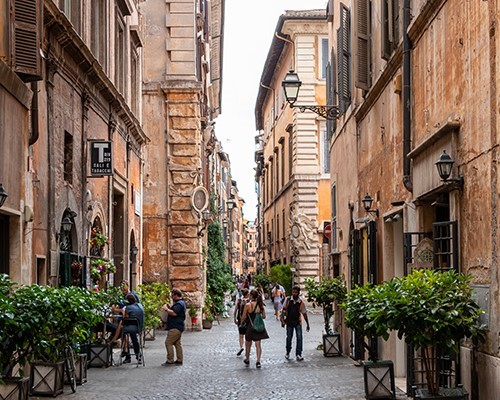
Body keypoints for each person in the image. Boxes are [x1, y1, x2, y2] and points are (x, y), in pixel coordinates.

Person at [240, 289, 269, 368]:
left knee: (248, 343)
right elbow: (264, 316)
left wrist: (241, 323)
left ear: (252, 296)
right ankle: (258, 361)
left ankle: (247, 358)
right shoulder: (260, 305)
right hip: (258, 326)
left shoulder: (248, 305)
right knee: (258, 344)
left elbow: (243, 317)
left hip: (250, 326)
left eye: (250, 295)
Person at [281, 285, 310, 361]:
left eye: (296, 292)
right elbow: (283, 310)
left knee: (299, 338)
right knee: (289, 338)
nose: (294, 294)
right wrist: (283, 320)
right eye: (293, 292)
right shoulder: (287, 300)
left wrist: (307, 324)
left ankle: (298, 354)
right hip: (289, 322)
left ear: (298, 293)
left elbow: (304, 314)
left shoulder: (301, 303)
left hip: (298, 322)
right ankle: (287, 352)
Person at [161, 288, 186, 366]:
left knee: (168, 343)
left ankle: (170, 360)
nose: (171, 297)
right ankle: (179, 359)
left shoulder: (179, 304)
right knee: (177, 343)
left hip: (175, 327)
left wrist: (166, 309)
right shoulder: (181, 303)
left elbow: (174, 313)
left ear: (176, 295)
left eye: (172, 295)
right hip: (178, 327)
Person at [121, 294, 144, 363]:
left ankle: (126, 354)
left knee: (124, 333)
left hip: (132, 328)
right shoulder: (140, 305)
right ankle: (138, 355)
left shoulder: (128, 308)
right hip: (139, 327)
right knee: (134, 338)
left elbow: (125, 318)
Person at [233, 288, 250, 356]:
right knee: (247, 335)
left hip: (240, 319)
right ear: (248, 294)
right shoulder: (249, 301)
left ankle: (241, 347)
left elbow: (235, 311)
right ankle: (247, 348)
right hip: (247, 319)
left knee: (241, 334)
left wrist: (234, 319)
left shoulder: (239, 301)